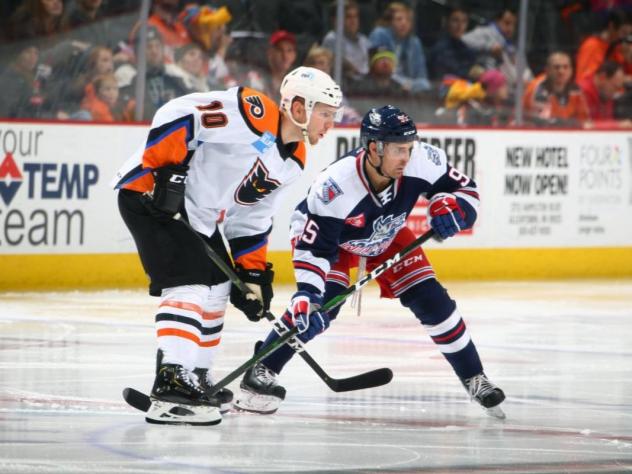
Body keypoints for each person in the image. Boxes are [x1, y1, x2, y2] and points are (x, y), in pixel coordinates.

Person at [234, 105, 506, 419]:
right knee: (319, 309)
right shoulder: (335, 186)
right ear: (374, 148)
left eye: (409, 148)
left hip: (386, 233)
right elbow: (317, 249)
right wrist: (308, 295)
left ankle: (475, 377)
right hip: (333, 241)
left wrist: (455, 207)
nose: (406, 157)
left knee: (433, 301)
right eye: (398, 150)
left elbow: (466, 189)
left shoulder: (423, 161)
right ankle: (262, 371)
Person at [112, 65, 342, 425]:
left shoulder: (294, 159)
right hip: (149, 194)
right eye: (326, 115)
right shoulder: (254, 112)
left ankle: (197, 379)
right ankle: (172, 380)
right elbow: (178, 113)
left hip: (197, 215)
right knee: (189, 282)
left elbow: (250, 218)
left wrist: (252, 273)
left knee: (219, 285)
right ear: (299, 108)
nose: (330, 124)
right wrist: (165, 171)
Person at [523, 51, 589, 127]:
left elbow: (584, 121)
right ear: (547, 70)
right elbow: (542, 125)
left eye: (565, 67)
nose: (561, 71)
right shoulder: (539, 89)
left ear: (571, 71)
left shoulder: (575, 90)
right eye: (556, 67)